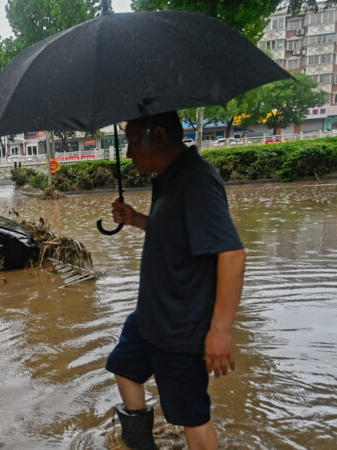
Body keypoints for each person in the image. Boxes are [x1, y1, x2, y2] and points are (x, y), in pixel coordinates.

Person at [105, 111, 246, 450]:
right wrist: (138, 219)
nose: (128, 155)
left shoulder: (196, 180)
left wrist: (220, 331)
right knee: (124, 367)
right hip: (151, 317)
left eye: (134, 144)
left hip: (180, 327)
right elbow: (178, 234)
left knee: (190, 416)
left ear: (160, 137)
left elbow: (232, 254)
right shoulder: (170, 178)